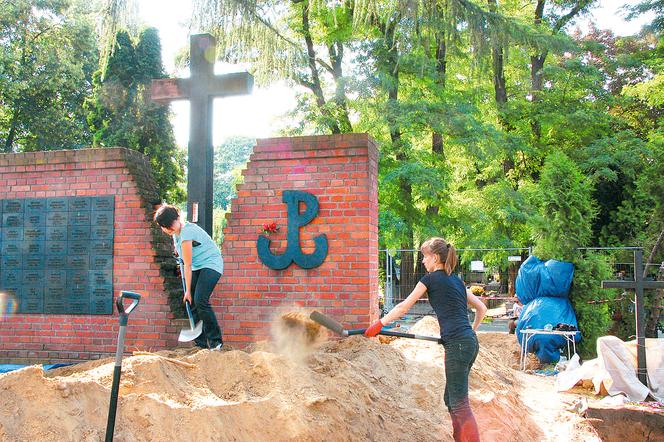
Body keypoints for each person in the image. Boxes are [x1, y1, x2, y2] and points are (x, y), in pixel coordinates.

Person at [365, 237, 487, 442]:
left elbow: (404, 307)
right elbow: (481, 308)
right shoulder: (456, 280)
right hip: (469, 344)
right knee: (450, 399)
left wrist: (379, 324)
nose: (422, 261)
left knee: (459, 404)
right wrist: (471, 331)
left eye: (425, 256)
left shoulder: (429, 280)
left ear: (436, 257)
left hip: (457, 345)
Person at [154, 204, 224, 350]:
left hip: (211, 264)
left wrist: (187, 291)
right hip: (197, 267)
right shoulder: (176, 235)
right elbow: (184, 262)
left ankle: (216, 342)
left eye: (170, 224)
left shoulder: (186, 232)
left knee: (200, 300)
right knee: (191, 302)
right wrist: (188, 292)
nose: (170, 228)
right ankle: (201, 344)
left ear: (176, 219)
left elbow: (187, 264)